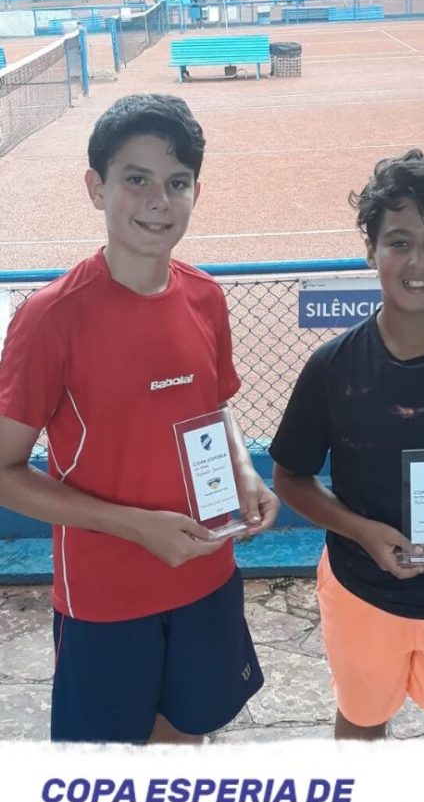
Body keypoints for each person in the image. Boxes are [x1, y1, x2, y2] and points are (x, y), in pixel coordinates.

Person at [0, 93, 278, 744]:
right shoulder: (50, 318)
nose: (159, 200)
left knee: (186, 743)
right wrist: (136, 527)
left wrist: (244, 472)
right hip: (106, 597)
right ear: (96, 188)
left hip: (208, 575)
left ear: (195, 192)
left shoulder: (205, 297)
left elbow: (214, 409)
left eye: (176, 182)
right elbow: (5, 471)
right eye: (136, 179)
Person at [270, 149, 424, 741]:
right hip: (361, 590)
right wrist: (362, 532)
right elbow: (291, 477)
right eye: (399, 242)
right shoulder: (332, 367)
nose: (418, 262)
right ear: (371, 250)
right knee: (361, 726)